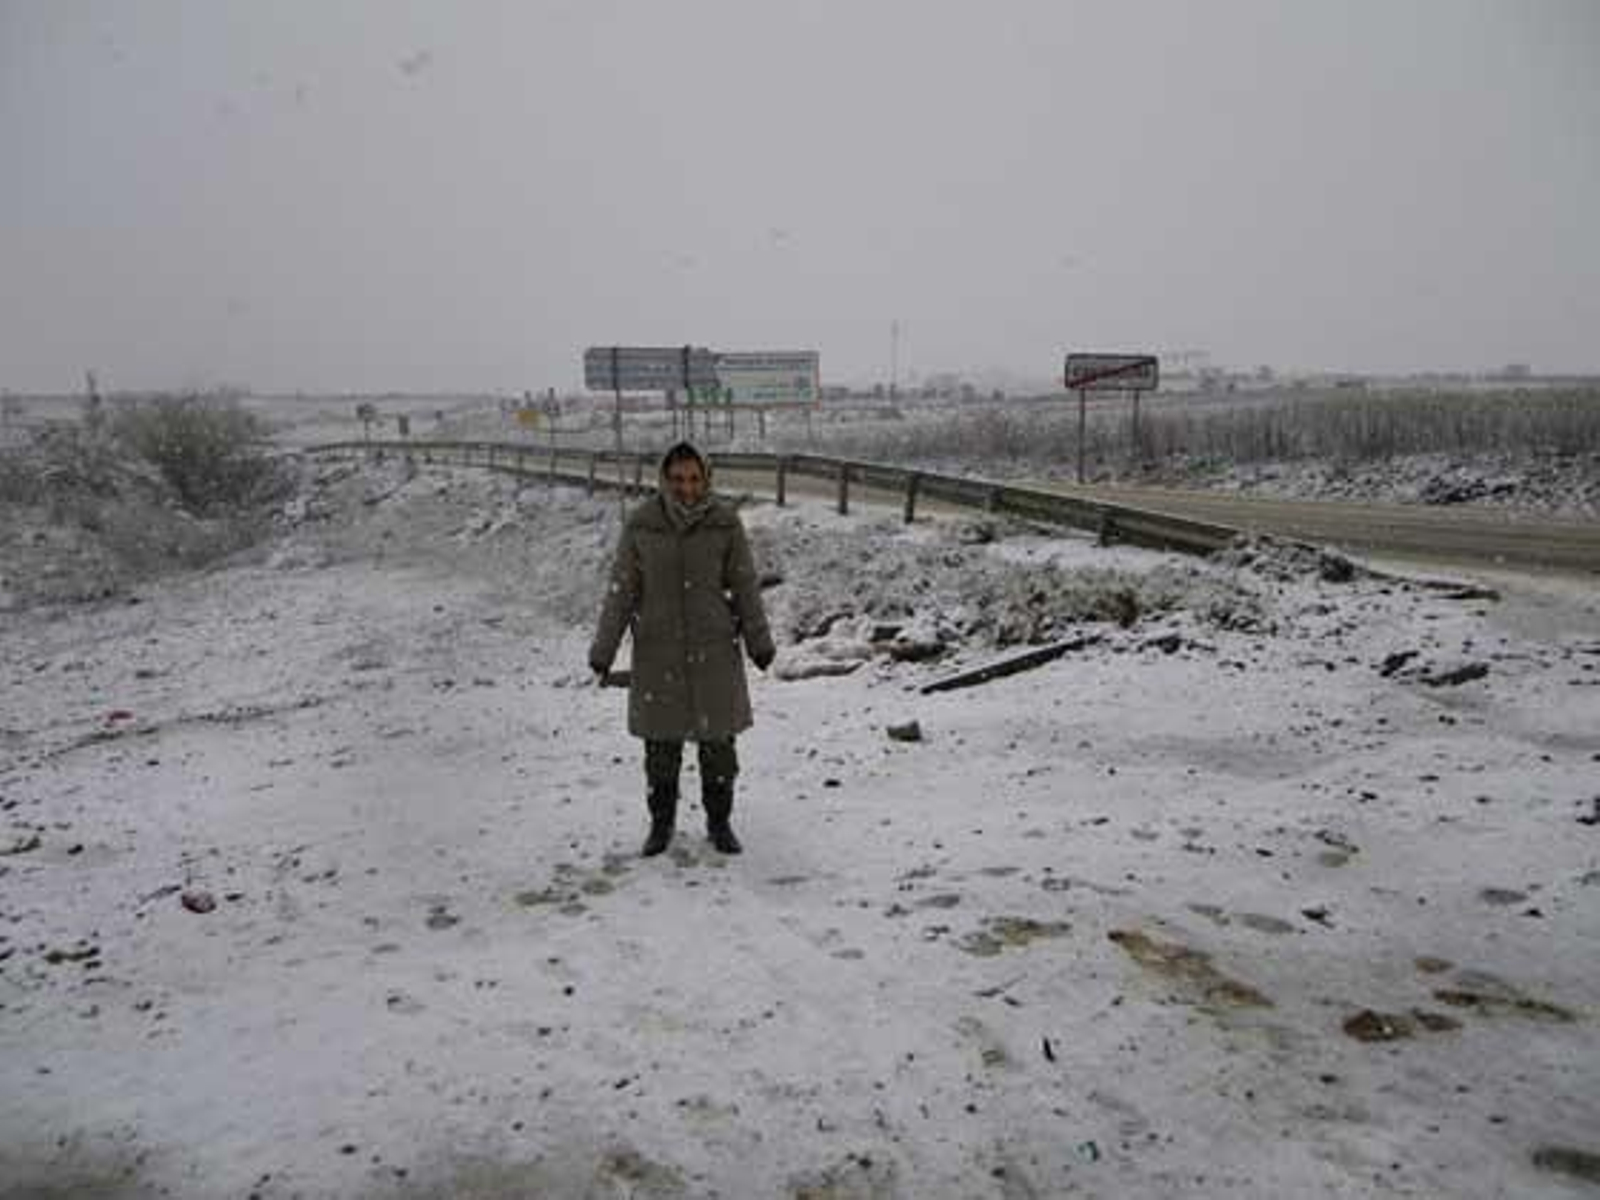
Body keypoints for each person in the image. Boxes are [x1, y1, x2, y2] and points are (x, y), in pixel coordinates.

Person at [589, 442, 775, 856]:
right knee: (660, 751)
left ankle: (720, 823)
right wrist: (603, 650)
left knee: (719, 750)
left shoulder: (725, 524)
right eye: (677, 479)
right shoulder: (642, 525)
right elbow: (621, 591)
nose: (686, 488)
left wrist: (759, 642)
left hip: (714, 654)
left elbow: (744, 585)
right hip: (659, 655)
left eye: (694, 479)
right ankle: (661, 825)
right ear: (663, 480)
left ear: (706, 478)